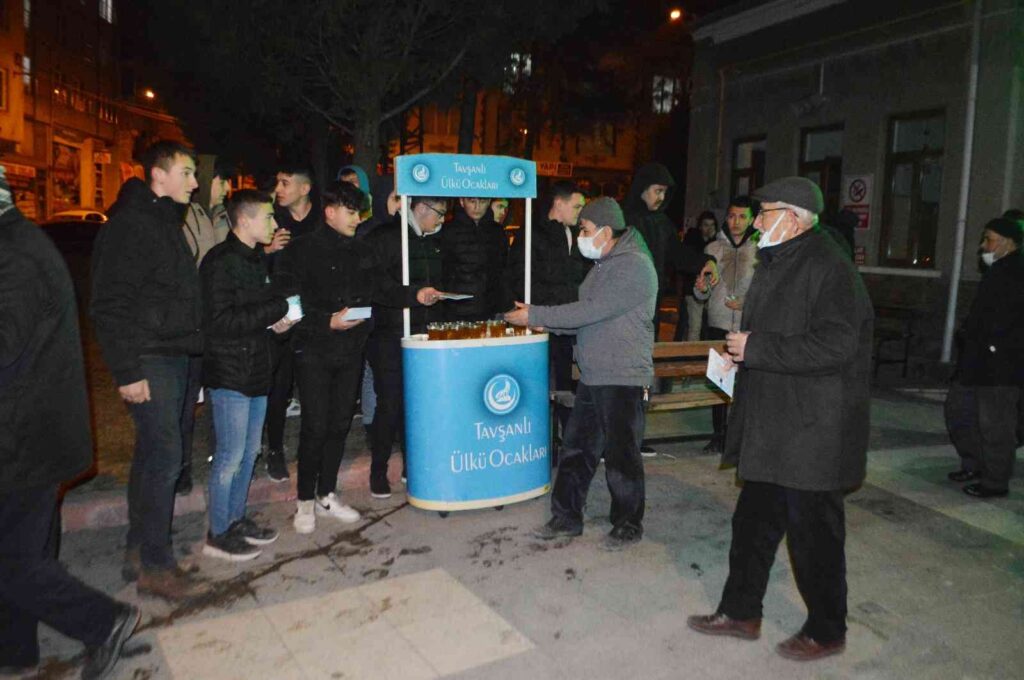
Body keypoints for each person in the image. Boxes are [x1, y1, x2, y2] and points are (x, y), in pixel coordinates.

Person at [687, 177, 873, 662]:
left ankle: (828, 629)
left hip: (813, 433)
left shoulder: (830, 267)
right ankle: (740, 612)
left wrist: (759, 348)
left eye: (764, 213)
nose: (755, 222)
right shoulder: (778, 260)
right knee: (751, 525)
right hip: (775, 428)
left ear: (792, 218)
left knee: (815, 538)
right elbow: (776, 334)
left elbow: (837, 344)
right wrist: (741, 358)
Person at [0, 166, 140, 679]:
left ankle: (104, 622)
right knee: (18, 555)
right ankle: (15, 653)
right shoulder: (16, 243)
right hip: (26, 433)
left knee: (13, 562)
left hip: (25, 439)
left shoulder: (14, 255)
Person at [275, 181, 442, 534]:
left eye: (359, 212)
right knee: (315, 425)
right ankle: (305, 500)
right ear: (330, 211)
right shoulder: (300, 251)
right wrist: (326, 321)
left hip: (351, 350)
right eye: (351, 212)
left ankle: (326, 493)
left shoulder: (361, 251)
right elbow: (289, 303)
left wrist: (417, 294)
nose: (357, 219)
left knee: (338, 424)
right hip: (314, 351)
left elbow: (383, 289)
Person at [91, 140, 207, 600]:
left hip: (174, 354)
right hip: (151, 359)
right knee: (165, 457)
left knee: (155, 457)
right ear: (158, 175)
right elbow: (108, 303)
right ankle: (157, 566)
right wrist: (126, 371)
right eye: (187, 173)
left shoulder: (162, 220)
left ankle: (139, 551)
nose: (194, 183)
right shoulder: (133, 224)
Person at [505, 197, 658, 549]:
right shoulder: (604, 265)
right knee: (577, 449)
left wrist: (536, 315)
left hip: (622, 376)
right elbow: (581, 315)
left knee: (622, 455)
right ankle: (566, 516)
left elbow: (590, 311)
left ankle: (627, 523)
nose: (581, 237)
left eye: (586, 230)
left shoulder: (633, 266)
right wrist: (542, 318)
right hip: (594, 374)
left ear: (605, 231)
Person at [200, 190, 293, 561]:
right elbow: (220, 322)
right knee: (230, 456)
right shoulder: (219, 263)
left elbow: (252, 315)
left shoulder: (255, 260)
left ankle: (235, 520)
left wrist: (276, 324)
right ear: (245, 220)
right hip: (229, 372)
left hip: (256, 366)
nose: (274, 224)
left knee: (249, 452)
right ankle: (218, 532)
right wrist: (274, 309)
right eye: (269, 217)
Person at [365, 196, 449, 498]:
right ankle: (378, 470)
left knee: (419, 404)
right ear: (422, 209)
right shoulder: (387, 236)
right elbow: (376, 285)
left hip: (425, 333)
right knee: (390, 403)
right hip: (389, 334)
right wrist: (413, 295)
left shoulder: (433, 242)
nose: (441, 221)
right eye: (439, 214)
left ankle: (412, 466)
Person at [944, 217, 1024, 498]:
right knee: (961, 413)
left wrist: (992, 345)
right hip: (976, 361)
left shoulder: (1015, 273)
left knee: (996, 425)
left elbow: (1004, 321)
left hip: (1000, 366)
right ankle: (974, 464)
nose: (983, 246)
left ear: (1007, 242)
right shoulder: (999, 271)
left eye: (988, 239)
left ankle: (995, 481)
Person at [504, 181, 589, 438]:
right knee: (540, 383)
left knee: (566, 381)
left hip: (568, 321)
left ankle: (569, 436)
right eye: (576, 206)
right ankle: (541, 437)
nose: (579, 212)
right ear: (559, 204)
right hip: (541, 319)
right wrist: (567, 297)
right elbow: (521, 280)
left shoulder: (574, 235)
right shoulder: (531, 233)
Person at [175, 155, 233, 496]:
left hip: (220, 322)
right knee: (185, 399)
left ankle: (218, 456)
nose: (225, 187)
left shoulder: (222, 216)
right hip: (196, 323)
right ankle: (181, 466)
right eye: (221, 180)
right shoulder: (187, 217)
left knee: (218, 393)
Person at [263, 164, 319, 483]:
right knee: (279, 386)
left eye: (286, 181)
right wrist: (268, 250)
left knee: (312, 387)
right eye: (278, 182)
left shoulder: (322, 219)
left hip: (314, 316)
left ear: (304, 187)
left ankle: (309, 450)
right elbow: (254, 265)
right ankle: (274, 451)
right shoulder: (272, 219)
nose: (279, 188)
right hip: (280, 316)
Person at [693, 196, 758, 454]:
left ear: (752, 219)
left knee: (747, 385)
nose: (736, 222)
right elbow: (701, 293)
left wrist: (747, 303)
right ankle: (719, 435)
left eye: (743, 216)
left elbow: (768, 291)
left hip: (747, 327)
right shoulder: (712, 250)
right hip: (718, 324)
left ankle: (741, 436)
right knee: (720, 383)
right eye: (732, 216)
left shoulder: (761, 250)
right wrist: (701, 288)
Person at [623, 162, 715, 338]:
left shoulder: (662, 223)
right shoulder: (622, 221)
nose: (662, 197)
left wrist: (705, 262)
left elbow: (678, 253)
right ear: (643, 188)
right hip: (623, 308)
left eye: (665, 192)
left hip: (652, 307)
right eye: (658, 191)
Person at [442, 195, 507, 320]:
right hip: (456, 310)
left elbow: (503, 271)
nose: (477, 207)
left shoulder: (497, 232)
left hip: (491, 308)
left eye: (482, 201)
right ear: (462, 201)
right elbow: (443, 271)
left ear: (488, 202)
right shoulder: (448, 231)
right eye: (472, 201)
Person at [677, 211, 718, 341]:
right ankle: (691, 355)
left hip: (709, 289)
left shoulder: (715, 243)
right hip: (693, 290)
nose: (709, 228)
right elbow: (689, 261)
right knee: (695, 326)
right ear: (700, 226)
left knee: (703, 325)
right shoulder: (693, 240)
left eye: (712, 225)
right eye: (706, 225)